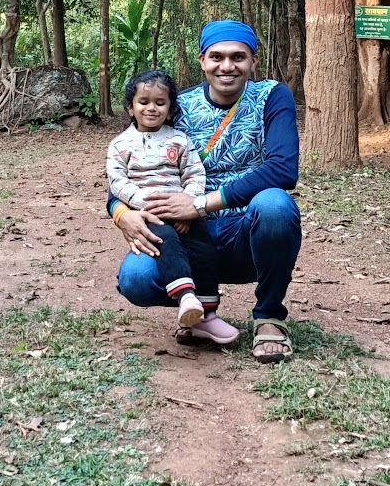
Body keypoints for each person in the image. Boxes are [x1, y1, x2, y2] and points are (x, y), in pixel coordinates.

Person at [110, 19, 301, 363]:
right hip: (186, 233)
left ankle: (269, 316)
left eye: (238, 57)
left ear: (253, 61)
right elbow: (129, 166)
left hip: (246, 230)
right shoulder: (175, 106)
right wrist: (120, 213)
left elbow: (283, 170)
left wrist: (199, 204)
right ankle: (195, 311)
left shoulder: (272, 96)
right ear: (202, 60)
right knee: (136, 279)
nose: (227, 66)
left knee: (275, 204)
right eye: (217, 57)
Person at [106, 69, 221, 333]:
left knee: (203, 248)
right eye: (143, 102)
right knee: (165, 243)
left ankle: (207, 313)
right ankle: (185, 298)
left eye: (160, 103)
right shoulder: (120, 144)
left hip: (182, 210)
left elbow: (194, 173)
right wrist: (142, 203)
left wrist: (188, 203)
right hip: (148, 214)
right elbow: (117, 180)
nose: (152, 108)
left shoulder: (180, 140)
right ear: (129, 108)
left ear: (170, 109)